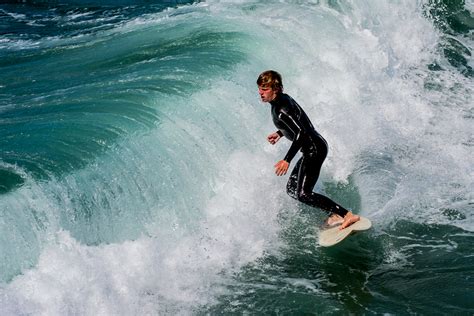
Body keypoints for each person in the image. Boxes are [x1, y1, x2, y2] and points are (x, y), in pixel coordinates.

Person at [257, 70, 360, 229]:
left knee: (304, 194)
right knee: (292, 189)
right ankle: (334, 214)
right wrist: (280, 133)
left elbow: (301, 132)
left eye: (265, 89)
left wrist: (287, 160)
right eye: (260, 89)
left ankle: (347, 215)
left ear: (275, 89)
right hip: (311, 149)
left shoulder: (281, 110)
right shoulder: (281, 101)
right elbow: (298, 124)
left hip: (314, 150)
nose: (261, 93)